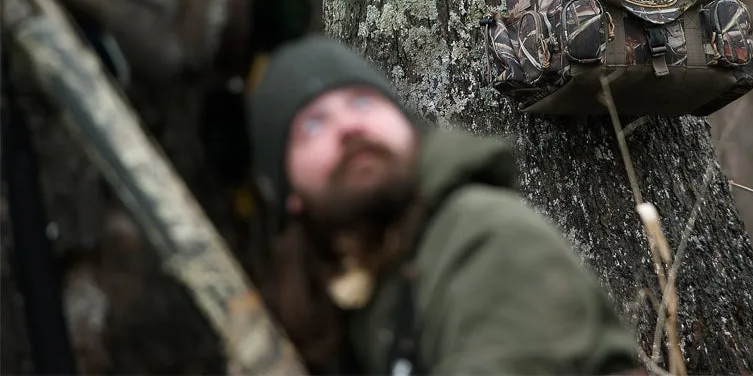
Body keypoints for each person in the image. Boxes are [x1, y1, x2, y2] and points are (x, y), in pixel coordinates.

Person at [246, 34, 642, 375]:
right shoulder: (347, 299)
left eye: (363, 102)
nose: (349, 127)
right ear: (290, 194)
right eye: (313, 124)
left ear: (410, 130)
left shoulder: (483, 234)